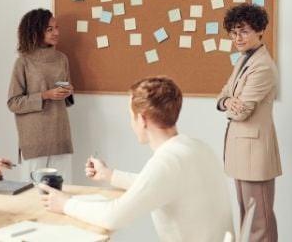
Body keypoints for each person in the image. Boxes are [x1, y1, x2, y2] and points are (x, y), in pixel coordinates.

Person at [40, 76, 234, 241]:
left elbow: (112, 217)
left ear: (142, 120)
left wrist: (66, 204)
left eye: (131, 116)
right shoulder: (194, 147)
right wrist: (111, 175)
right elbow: (156, 185)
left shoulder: (167, 162)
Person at [216, 3, 281, 242]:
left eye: (243, 31)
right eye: (233, 32)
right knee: (248, 218)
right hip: (242, 152)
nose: (237, 38)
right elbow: (222, 95)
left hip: (255, 154)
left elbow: (241, 112)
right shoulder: (243, 61)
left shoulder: (262, 66)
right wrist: (227, 102)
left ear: (259, 29)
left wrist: (231, 103)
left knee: (259, 223)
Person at [7, 8, 74, 183]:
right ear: (35, 31)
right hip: (35, 140)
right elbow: (13, 103)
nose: (56, 32)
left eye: (56, 27)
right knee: (33, 195)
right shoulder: (23, 62)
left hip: (60, 135)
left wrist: (67, 91)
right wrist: (45, 95)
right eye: (49, 29)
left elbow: (64, 94)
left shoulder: (61, 59)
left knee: (63, 190)